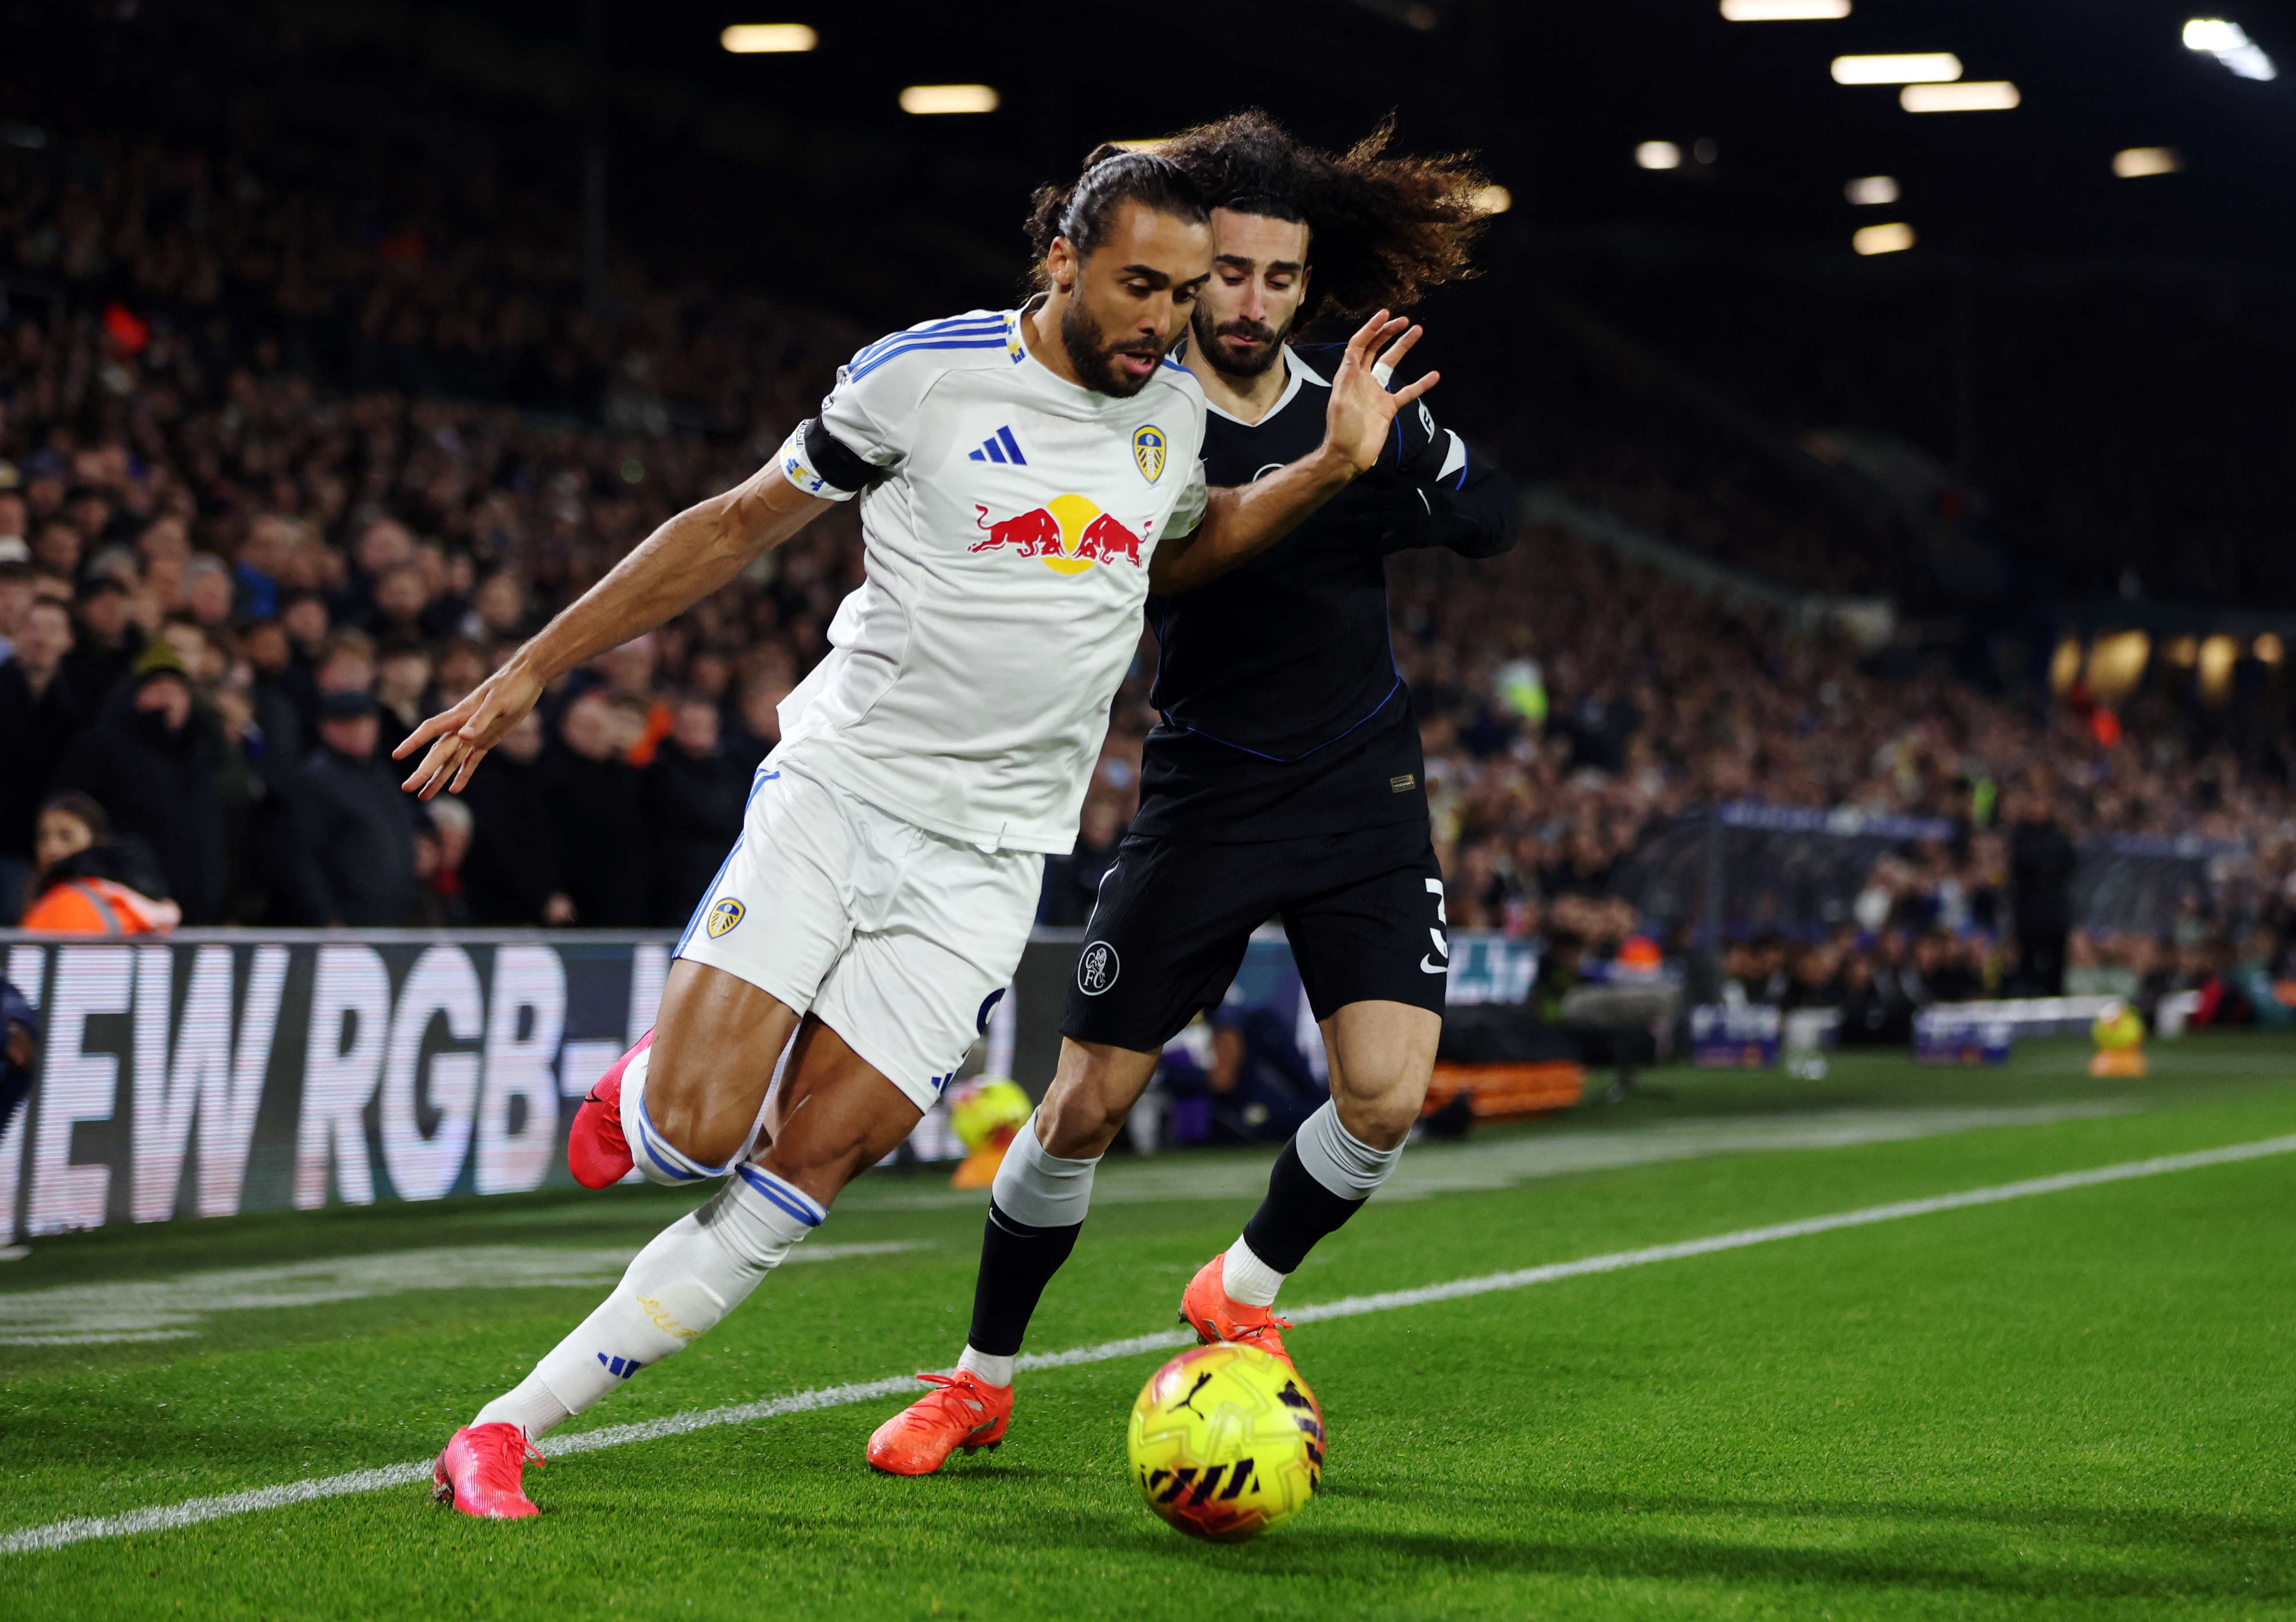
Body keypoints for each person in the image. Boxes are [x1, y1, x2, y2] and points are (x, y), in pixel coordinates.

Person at [398, 142, 1434, 1519]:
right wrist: (531, 668)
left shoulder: (1169, 419)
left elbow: (1172, 552)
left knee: (811, 1162)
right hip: (844, 793)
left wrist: (1322, 471)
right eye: (1138, 286)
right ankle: (651, 1089)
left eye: (1185, 296)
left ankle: (504, 1430)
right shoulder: (922, 375)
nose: (1163, 323)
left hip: (992, 858)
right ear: (1063, 261)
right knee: (696, 1136)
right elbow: (733, 523)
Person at [868, 112, 1511, 1474]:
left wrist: (1419, 463)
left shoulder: (1353, 395)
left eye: (1281, 279)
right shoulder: (1128, 412)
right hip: (1205, 795)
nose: (1252, 301)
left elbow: (1493, 515)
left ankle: (1244, 1288)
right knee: (1083, 1105)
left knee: (1388, 1096)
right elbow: (1151, 574)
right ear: (1184, 269)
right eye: (1229, 273)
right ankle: (981, 1378)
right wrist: (1323, 470)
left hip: (1361, 791)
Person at [51, 643, 226, 925]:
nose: (169, 698)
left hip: (197, 906)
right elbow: (74, 813)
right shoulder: (104, 745)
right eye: (157, 688)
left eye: (177, 690)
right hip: (126, 905)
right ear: (134, 696)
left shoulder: (202, 752)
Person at [277, 690, 422, 927]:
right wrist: (327, 917)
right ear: (327, 728)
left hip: (396, 914)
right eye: (351, 724)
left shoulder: (380, 773)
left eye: (368, 722)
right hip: (352, 918)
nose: (363, 731)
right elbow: (303, 857)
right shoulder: (316, 781)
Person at [0, 594, 80, 919]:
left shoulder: (79, 707)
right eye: (33, 627)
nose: (41, 638)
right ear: (17, 635)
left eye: (52, 629)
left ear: (69, 641)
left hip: (51, 853)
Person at [16, 792, 180, 934]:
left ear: (96, 841)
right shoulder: (40, 897)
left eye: (66, 836)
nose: (52, 849)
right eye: (43, 837)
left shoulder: (96, 898)